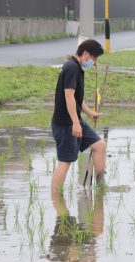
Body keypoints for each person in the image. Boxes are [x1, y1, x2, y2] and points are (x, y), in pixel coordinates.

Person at [51, 39, 106, 192]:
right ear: (86, 53)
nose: (94, 62)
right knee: (65, 161)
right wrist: (75, 122)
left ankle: (101, 186)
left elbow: (76, 98)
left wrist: (89, 113)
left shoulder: (77, 67)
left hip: (75, 120)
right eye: (94, 58)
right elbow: (68, 95)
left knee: (99, 146)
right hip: (65, 124)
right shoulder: (71, 68)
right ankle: (56, 197)